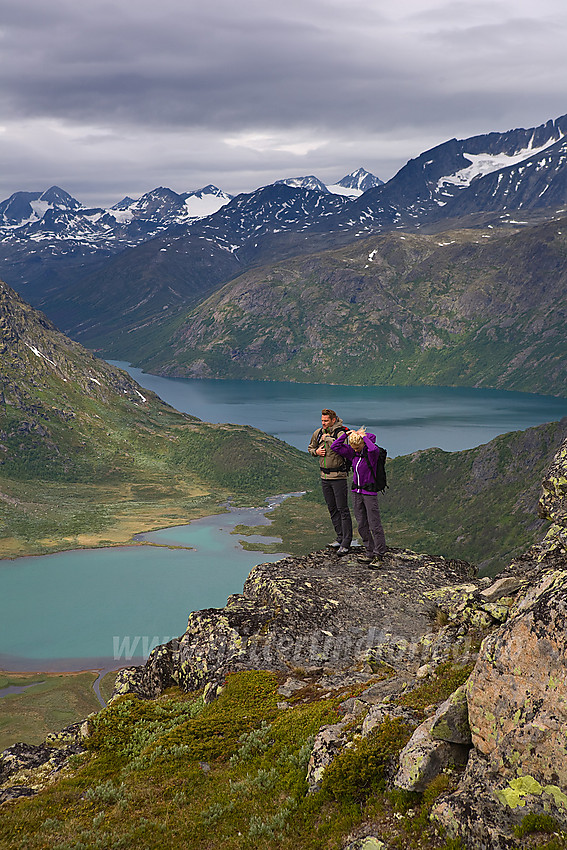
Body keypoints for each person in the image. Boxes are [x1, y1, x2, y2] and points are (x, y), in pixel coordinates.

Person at [331, 427, 387, 569]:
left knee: (375, 524)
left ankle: (378, 555)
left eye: (357, 447)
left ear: (362, 443)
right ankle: (369, 552)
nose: (354, 450)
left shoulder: (371, 454)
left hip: (369, 493)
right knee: (361, 523)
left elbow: (373, 447)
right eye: (353, 447)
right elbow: (335, 446)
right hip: (356, 492)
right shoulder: (352, 453)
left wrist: (363, 436)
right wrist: (346, 435)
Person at [308, 409, 353, 555]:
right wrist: (316, 452)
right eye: (322, 420)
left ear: (333, 420)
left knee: (343, 509)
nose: (323, 423)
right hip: (324, 477)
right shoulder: (318, 433)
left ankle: (346, 543)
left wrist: (328, 439)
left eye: (326, 421)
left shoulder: (340, 433)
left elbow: (343, 449)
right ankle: (340, 538)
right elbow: (311, 448)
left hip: (338, 476)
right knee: (332, 508)